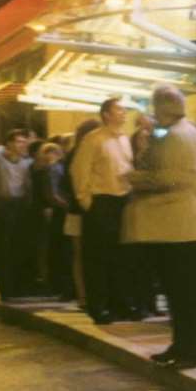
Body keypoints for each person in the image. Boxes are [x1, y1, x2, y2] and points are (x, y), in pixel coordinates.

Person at [127, 86, 196, 369]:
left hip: (179, 225)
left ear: (162, 107)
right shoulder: (177, 130)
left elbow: (170, 177)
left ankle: (188, 352)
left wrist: (135, 178)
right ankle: (180, 344)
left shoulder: (177, 136)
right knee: (178, 292)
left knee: (182, 293)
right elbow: (155, 155)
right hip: (178, 225)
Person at [70, 96, 134, 324]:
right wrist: (87, 202)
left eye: (125, 110)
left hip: (122, 200)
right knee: (98, 258)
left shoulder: (125, 140)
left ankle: (120, 304)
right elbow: (79, 171)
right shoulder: (93, 139)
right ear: (106, 114)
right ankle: (99, 307)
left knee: (120, 256)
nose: (124, 113)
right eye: (119, 110)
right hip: (101, 202)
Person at [0, 128, 33, 300]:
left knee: (17, 247)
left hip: (19, 206)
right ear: (9, 143)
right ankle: (5, 288)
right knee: (2, 247)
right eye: (18, 141)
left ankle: (17, 286)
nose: (23, 145)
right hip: (1, 205)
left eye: (25, 142)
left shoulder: (26, 162)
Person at [120, 114, 161, 316]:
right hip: (137, 213)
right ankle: (139, 304)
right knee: (138, 261)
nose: (145, 138)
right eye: (142, 136)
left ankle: (150, 303)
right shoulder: (132, 161)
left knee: (152, 262)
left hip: (154, 214)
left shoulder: (156, 159)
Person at [62, 118, 101, 309]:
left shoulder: (71, 154)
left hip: (75, 211)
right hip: (81, 211)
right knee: (84, 255)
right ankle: (85, 295)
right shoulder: (79, 154)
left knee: (79, 255)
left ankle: (83, 295)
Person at [33, 141, 72, 299]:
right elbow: (53, 194)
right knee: (58, 249)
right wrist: (65, 205)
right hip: (58, 211)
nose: (51, 155)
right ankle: (58, 284)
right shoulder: (54, 168)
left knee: (52, 249)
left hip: (51, 211)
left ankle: (53, 282)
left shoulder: (41, 168)